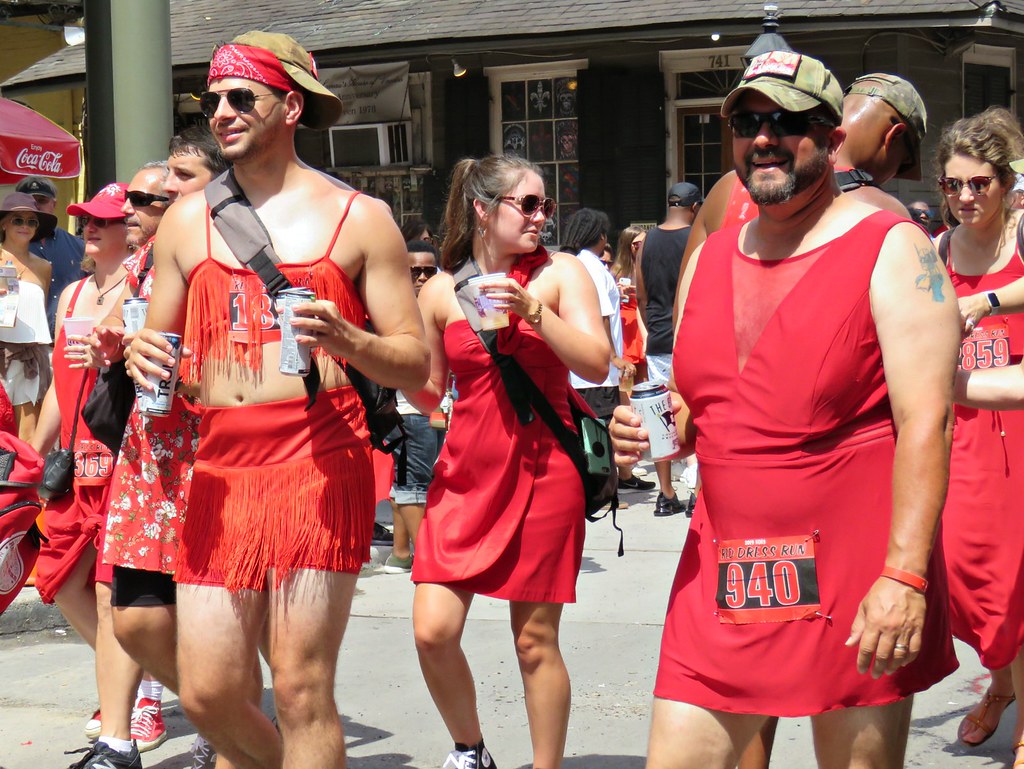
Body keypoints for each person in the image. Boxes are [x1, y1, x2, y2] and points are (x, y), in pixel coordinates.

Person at [610, 50, 960, 769]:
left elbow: (930, 421)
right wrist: (651, 432)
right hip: (724, 571)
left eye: (787, 121)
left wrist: (904, 577)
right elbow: (700, 408)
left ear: (833, 138)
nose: (763, 136)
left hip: (855, 570)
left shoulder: (892, 248)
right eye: (747, 121)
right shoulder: (711, 258)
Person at [126, 31, 428, 769]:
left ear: (290, 105)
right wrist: (137, 354)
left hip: (318, 458)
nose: (222, 112)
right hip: (221, 468)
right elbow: (154, 345)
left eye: (241, 97)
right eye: (213, 100)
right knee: (207, 690)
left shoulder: (358, 217)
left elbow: (417, 361)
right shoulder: (186, 220)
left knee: (299, 688)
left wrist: (349, 338)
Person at [409, 154, 608, 769]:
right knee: (432, 630)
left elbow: (598, 364)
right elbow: (427, 389)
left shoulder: (560, 274)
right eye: (528, 204)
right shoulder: (441, 290)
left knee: (534, 641)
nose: (542, 216)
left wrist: (533, 313)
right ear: (483, 209)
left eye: (546, 204)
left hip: (546, 470)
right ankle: (471, 749)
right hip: (466, 475)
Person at [31, 183, 141, 769]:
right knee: (61, 583)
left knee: (108, 593)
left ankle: (124, 712)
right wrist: (33, 452)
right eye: (85, 221)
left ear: (130, 231)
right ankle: (132, 682)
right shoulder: (72, 294)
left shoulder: (143, 290)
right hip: (76, 462)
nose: (90, 230)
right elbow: (55, 387)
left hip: (125, 457)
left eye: (103, 222)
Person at [929, 108, 1024, 761]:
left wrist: (983, 302)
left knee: (1019, 581)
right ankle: (1002, 678)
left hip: (1019, 438)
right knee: (964, 578)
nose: (965, 196)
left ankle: (1008, 705)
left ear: (1006, 182)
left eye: (979, 183)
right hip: (961, 440)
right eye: (953, 184)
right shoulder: (934, 248)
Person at [563, 208, 654, 497]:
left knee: (592, 429)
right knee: (599, 429)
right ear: (600, 236)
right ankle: (603, 493)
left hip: (582, 369)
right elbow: (601, 316)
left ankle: (605, 487)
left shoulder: (576, 265)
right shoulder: (593, 268)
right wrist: (613, 356)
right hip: (597, 372)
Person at [636, 183, 702, 517]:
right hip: (692, 339)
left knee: (659, 420)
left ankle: (666, 494)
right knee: (699, 416)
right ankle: (697, 491)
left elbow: (642, 295)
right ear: (694, 207)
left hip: (658, 341)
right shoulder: (698, 237)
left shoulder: (646, 240)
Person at [385, 238, 446, 575]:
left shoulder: (439, 304)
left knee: (409, 480)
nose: (421, 277)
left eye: (428, 270)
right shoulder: (393, 309)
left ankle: (401, 553)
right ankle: (427, 561)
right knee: (414, 485)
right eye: (414, 271)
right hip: (407, 409)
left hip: (438, 408)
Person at [0, 192, 55, 443]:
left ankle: (23, 482)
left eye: (31, 221)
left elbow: (38, 312)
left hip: (32, 356)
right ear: (4, 223)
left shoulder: (43, 266)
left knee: (29, 433)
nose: (25, 226)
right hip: (1, 353)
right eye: (18, 220)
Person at [17, 175, 85, 334]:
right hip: (22, 342)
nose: (35, 206)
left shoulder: (79, 246)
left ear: (54, 204)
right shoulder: (5, 249)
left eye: (41, 200)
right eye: (28, 201)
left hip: (69, 340)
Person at [611, 226, 647, 386]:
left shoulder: (647, 265)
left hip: (643, 322)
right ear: (628, 245)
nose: (641, 247)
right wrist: (617, 293)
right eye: (637, 244)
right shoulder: (616, 270)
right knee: (627, 379)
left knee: (645, 377)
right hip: (626, 326)